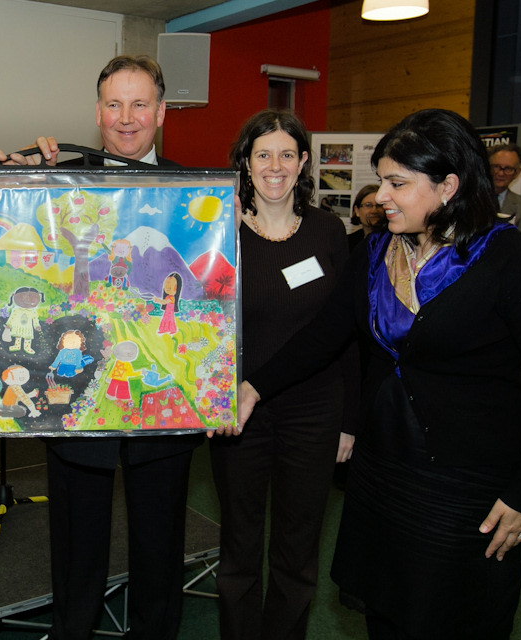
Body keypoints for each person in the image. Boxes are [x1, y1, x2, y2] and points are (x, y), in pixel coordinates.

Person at [232, 109, 521, 639]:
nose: (383, 196)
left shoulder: (514, 262)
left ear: (448, 186)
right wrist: (254, 386)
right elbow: (322, 336)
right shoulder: (376, 253)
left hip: (468, 484)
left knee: (457, 617)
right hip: (385, 472)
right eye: (382, 181)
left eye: (398, 183)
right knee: (388, 611)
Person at [0, 55, 202, 640]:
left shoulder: (195, 194)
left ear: (161, 111)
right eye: (113, 104)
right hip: (78, 396)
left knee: (161, 543)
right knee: (76, 546)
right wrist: (9, 166)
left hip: (160, 404)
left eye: (139, 105)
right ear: (97, 111)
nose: (125, 119)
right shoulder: (58, 180)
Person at [208, 109, 358, 640]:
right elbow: (201, 326)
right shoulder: (218, 233)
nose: (276, 166)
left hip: (315, 411)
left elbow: (345, 332)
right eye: (263, 154)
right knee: (240, 546)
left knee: (298, 547)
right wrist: (209, 397)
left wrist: (349, 421)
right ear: (245, 165)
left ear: (304, 162)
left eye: (287, 154)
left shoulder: (329, 230)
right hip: (237, 413)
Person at [489, 143, 521, 242]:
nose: (501, 173)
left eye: (508, 169)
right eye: (496, 166)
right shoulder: (467, 201)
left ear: (517, 173)